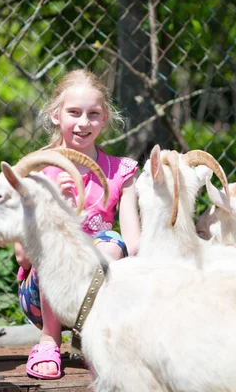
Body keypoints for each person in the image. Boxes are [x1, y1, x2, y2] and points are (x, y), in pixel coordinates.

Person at [16, 69, 141, 379]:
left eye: (93, 114)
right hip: (41, 298)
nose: (83, 122)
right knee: (53, 241)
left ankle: (96, 339)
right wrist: (55, 211)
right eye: (74, 112)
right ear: (56, 115)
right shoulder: (36, 169)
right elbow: (23, 256)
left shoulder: (120, 173)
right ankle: (49, 339)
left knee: (112, 245)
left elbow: (134, 247)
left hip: (101, 287)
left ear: (104, 119)